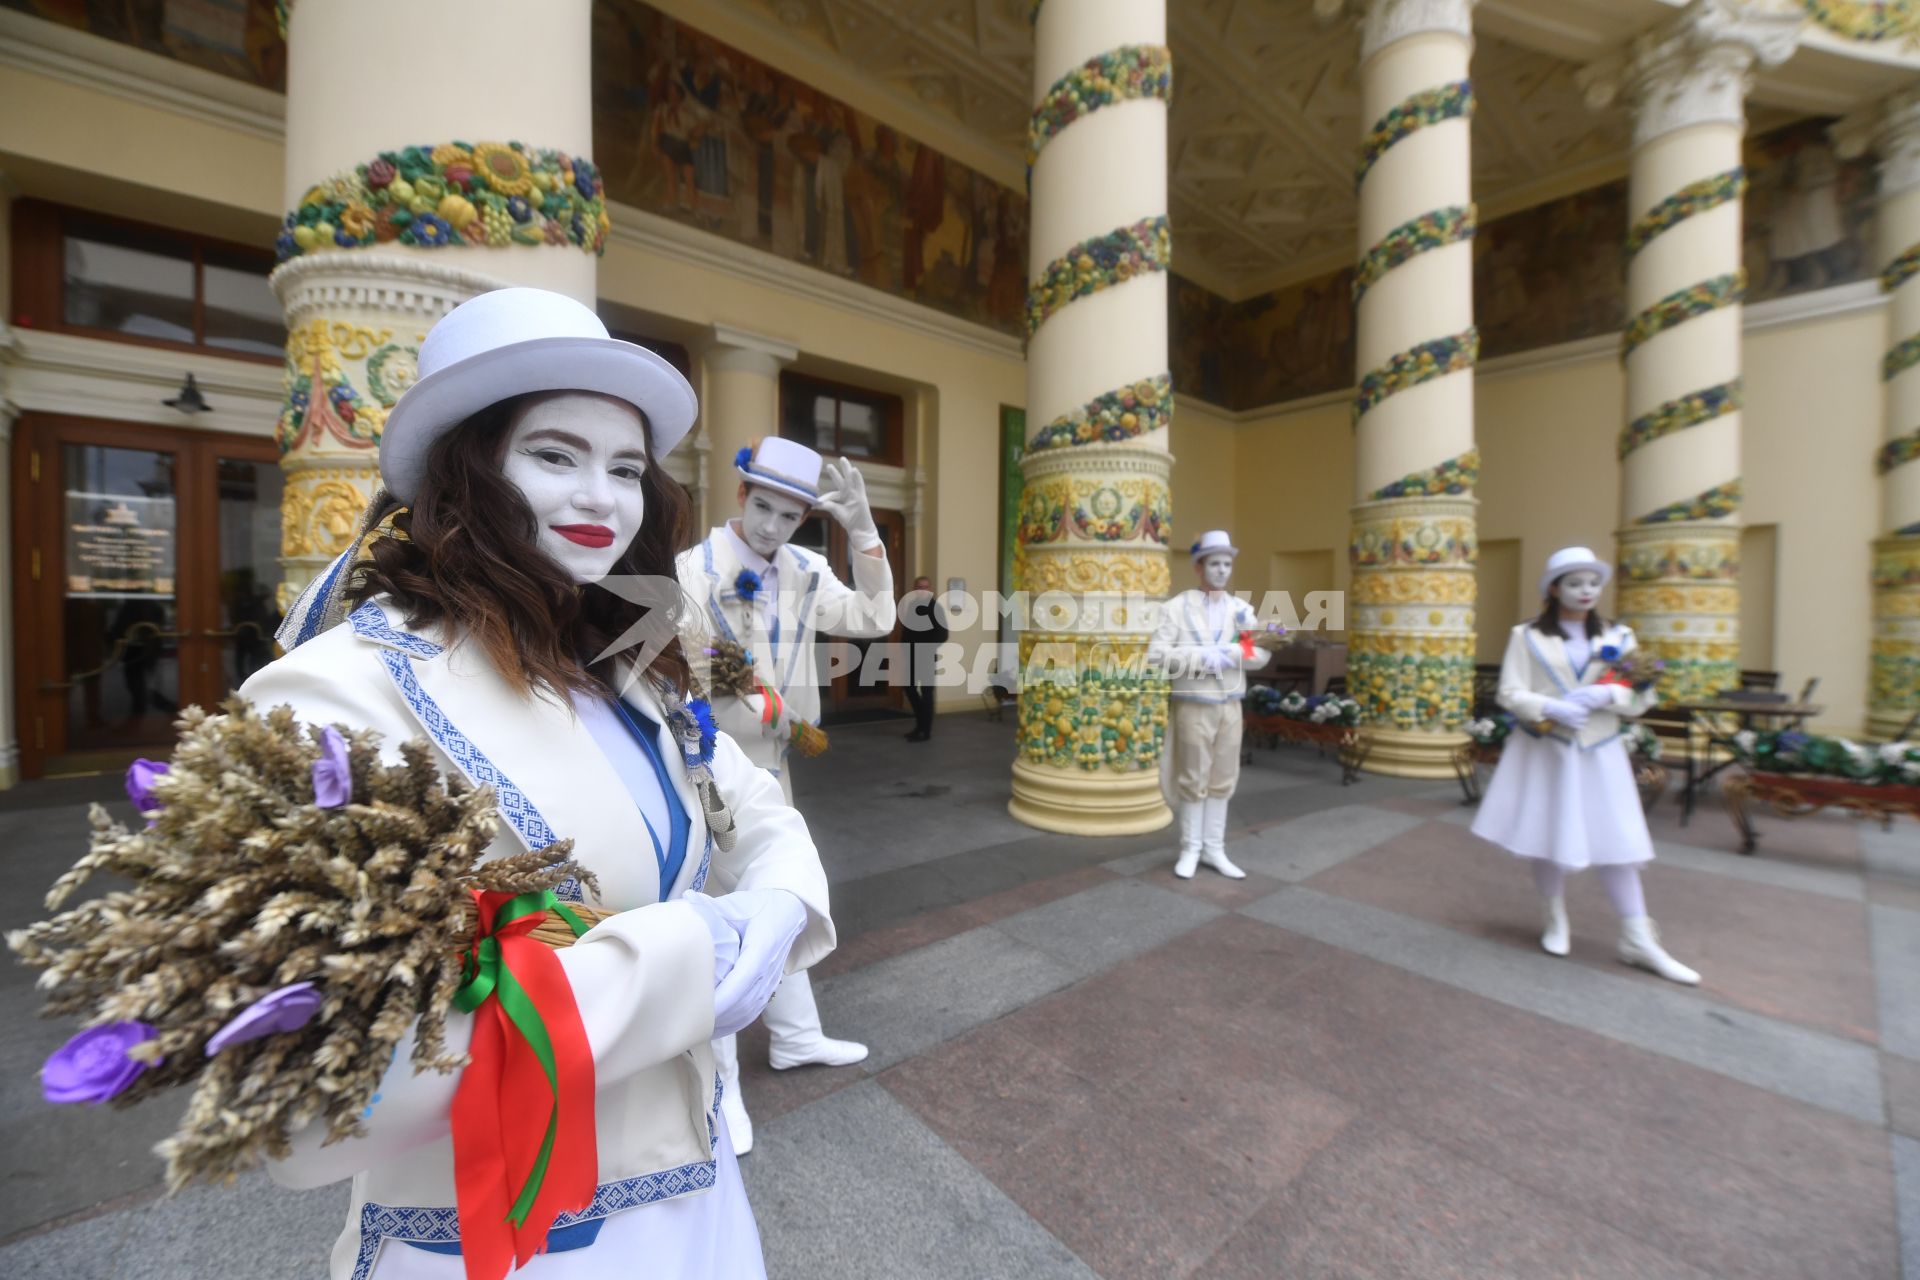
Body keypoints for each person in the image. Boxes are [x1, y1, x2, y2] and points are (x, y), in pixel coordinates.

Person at [244, 286, 836, 1278]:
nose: (601, 498)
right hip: (504, 1239)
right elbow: (310, 1097)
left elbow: (754, 802)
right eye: (554, 455)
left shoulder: (627, 658)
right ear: (462, 473)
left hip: (696, 1201)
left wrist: (782, 900)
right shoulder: (337, 692)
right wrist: (686, 959)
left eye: (625, 467)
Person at [677, 435, 894, 1154]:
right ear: (741, 495)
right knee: (721, 914)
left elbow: (875, 620)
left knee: (788, 890)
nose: (772, 527)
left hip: (776, 765)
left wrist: (863, 530)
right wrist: (740, 694)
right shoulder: (694, 571)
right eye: (763, 507)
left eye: (789, 516)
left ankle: (797, 1038)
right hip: (706, 764)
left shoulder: (805, 569)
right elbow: (673, 670)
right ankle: (723, 1085)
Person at [1470, 545, 1701, 985]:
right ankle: (1554, 916)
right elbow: (1509, 692)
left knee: (1619, 839)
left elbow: (1641, 698)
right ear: (1554, 589)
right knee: (1546, 831)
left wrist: (1608, 695)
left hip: (1601, 751)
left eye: (1593, 583)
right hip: (1547, 749)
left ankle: (1637, 936)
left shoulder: (1619, 637)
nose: (1586, 591)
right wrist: (1550, 707)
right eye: (1575, 583)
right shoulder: (1527, 636)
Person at [1148, 530, 1271, 880]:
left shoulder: (1242, 611)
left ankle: (1215, 848)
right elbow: (1157, 656)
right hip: (1193, 704)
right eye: (1214, 563)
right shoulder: (1175, 609)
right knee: (1192, 775)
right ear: (1199, 568)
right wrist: (1202, 656)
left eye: (1227, 564)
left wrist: (1234, 654)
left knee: (1223, 776)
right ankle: (1190, 847)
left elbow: (1261, 652)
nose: (1221, 570)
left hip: (1230, 704)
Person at [901, 574, 948, 742]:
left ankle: (925, 731)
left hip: (926, 657)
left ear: (931, 590)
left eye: (926, 587)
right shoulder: (912, 606)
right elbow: (906, 632)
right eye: (919, 587)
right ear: (915, 590)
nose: (923, 590)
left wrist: (927, 649)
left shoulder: (936, 608)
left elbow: (943, 634)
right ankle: (920, 724)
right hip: (911, 657)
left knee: (927, 693)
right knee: (909, 688)